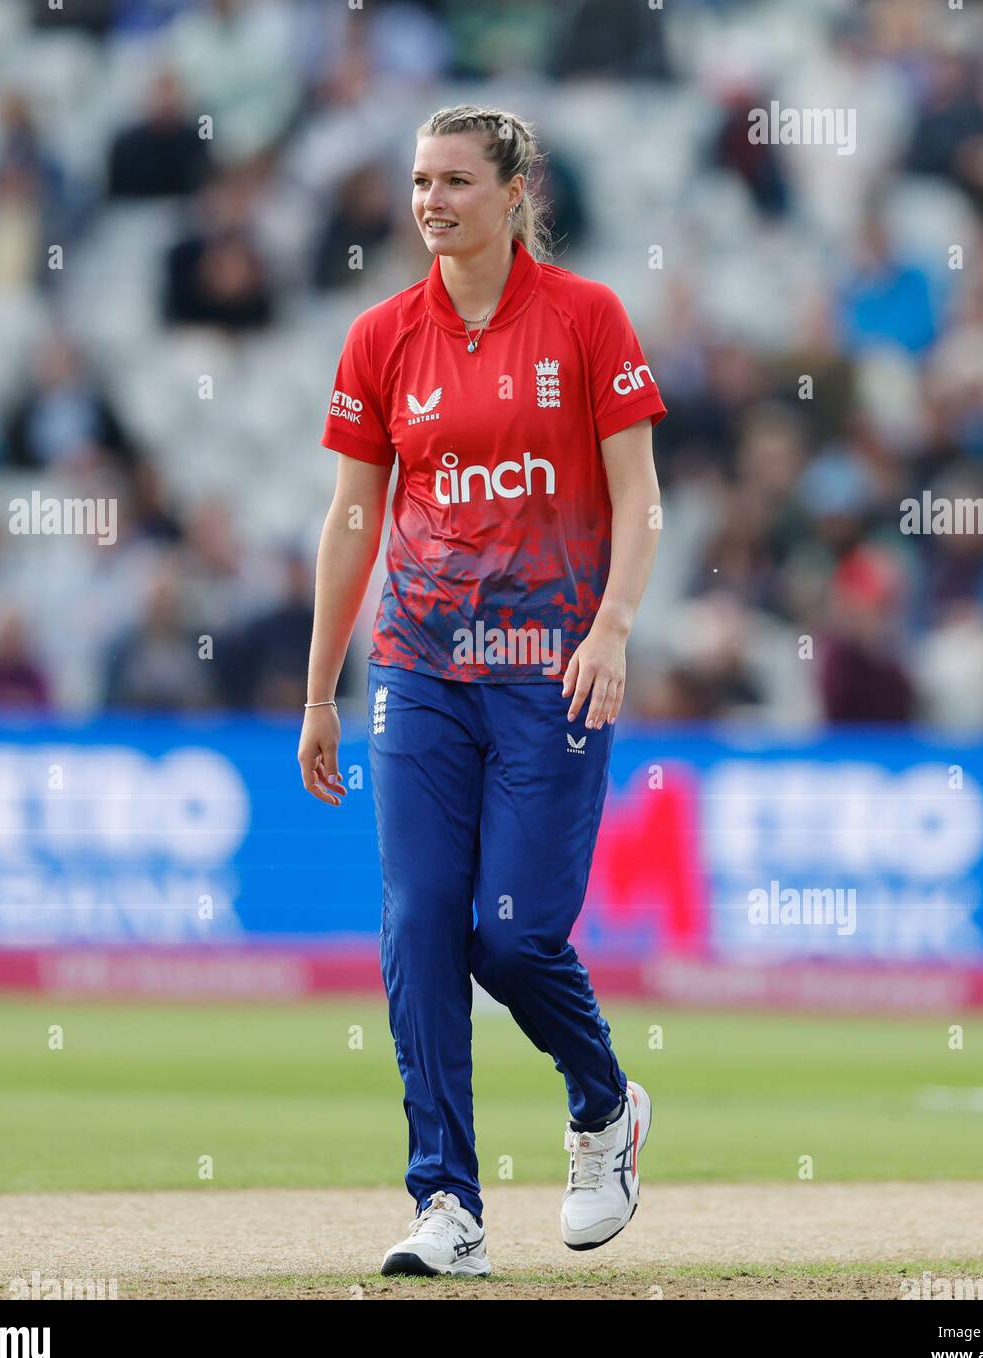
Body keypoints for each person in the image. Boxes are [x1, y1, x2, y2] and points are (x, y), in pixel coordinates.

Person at [300, 104, 666, 1278]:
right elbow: (352, 519)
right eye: (417, 181)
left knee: (509, 942)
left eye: (455, 179)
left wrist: (610, 629)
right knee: (416, 922)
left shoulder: (587, 318)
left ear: (514, 191)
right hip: (416, 670)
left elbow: (640, 500)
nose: (431, 201)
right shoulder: (379, 338)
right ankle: (446, 1202)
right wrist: (320, 690)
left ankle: (603, 1107)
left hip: (550, 667)